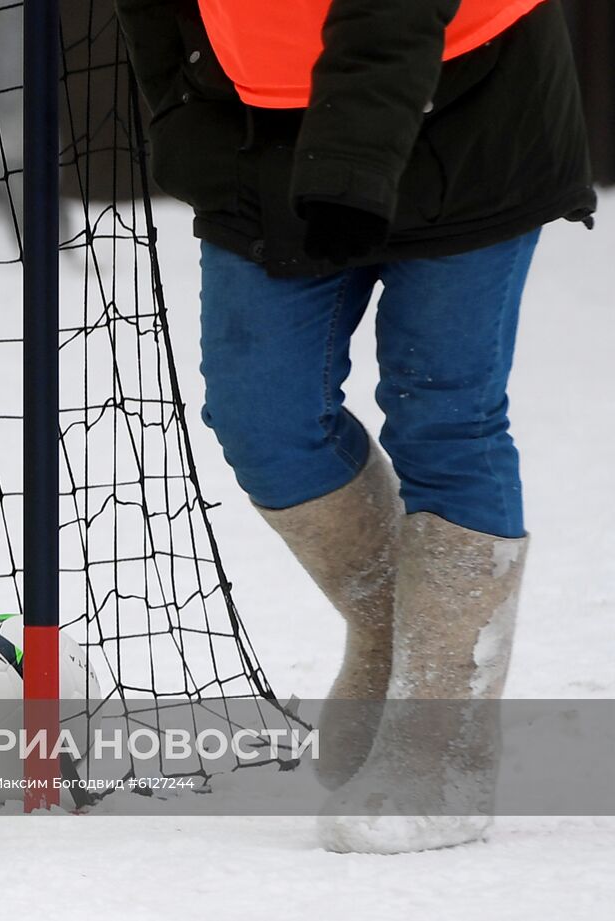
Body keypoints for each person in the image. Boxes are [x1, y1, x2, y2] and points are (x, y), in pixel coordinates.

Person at [114, 0, 595, 853]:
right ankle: (391, 628)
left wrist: (350, 169)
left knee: (446, 412)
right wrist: (186, 110)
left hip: (468, 101)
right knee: (262, 415)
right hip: (267, 123)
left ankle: (440, 742)